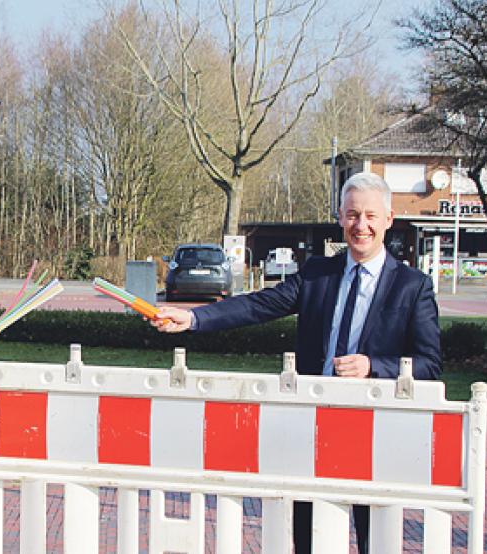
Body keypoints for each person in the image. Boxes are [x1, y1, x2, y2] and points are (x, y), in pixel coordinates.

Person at [152, 172, 441, 554]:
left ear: (389, 219)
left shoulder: (412, 286)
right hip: (312, 423)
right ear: (340, 217)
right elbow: (257, 305)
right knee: (306, 534)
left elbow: (429, 364)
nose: (361, 225)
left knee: (373, 534)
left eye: (371, 216)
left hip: (372, 429)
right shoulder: (317, 274)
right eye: (353, 214)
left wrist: (373, 366)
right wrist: (193, 318)